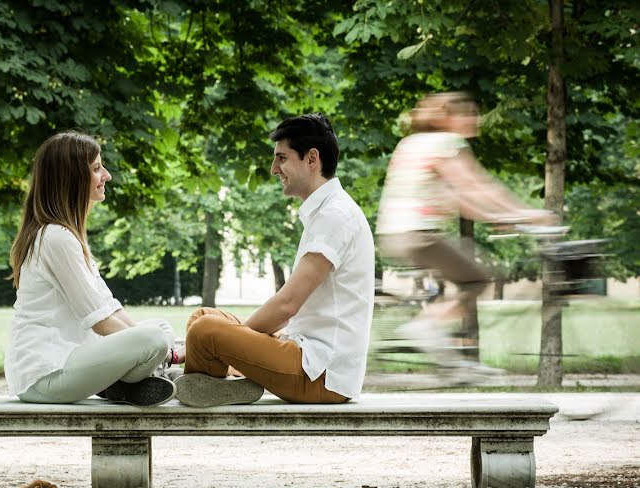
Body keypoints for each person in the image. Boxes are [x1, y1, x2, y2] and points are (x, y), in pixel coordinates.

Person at [172, 114, 375, 407]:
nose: (273, 169)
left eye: (281, 158)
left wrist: (231, 338)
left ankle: (205, 382)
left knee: (205, 332)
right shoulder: (328, 211)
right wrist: (236, 338)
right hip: (303, 352)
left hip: (320, 374)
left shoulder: (335, 216)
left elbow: (287, 305)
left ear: (312, 159)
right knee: (203, 318)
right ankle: (222, 384)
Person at [376, 92, 555, 365]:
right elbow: (477, 186)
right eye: (469, 113)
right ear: (448, 117)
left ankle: (449, 361)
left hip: (394, 235)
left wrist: (498, 216)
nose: (476, 118)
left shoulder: (411, 142)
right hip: (419, 235)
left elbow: (460, 200)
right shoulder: (447, 142)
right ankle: (424, 327)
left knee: (459, 280)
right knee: (477, 280)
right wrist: (527, 214)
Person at [5, 131, 177, 406]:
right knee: (154, 339)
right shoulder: (56, 238)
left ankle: (129, 382)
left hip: (71, 360)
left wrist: (163, 345)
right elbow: (102, 322)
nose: (106, 175)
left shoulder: (67, 235)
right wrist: (169, 353)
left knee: (160, 327)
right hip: (46, 374)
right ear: (72, 178)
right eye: (97, 168)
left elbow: (109, 306)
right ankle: (149, 376)